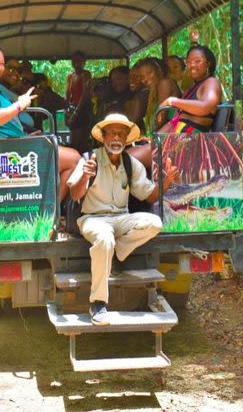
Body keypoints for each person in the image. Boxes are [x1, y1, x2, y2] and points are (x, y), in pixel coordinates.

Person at [67, 113, 180, 325]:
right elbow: (74, 194)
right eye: (112, 133)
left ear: (127, 139)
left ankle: (117, 253)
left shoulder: (131, 164)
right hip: (93, 219)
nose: (117, 138)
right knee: (104, 238)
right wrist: (85, 176)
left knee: (154, 223)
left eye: (121, 134)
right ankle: (98, 302)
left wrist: (165, 182)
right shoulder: (89, 158)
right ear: (103, 137)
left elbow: (150, 195)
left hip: (121, 218)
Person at [0, 43, 80, 201]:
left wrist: (24, 135)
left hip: (17, 143)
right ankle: (50, 214)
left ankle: (46, 206)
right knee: (75, 159)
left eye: (1, 64)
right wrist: (19, 105)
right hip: (9, 150)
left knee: (65, 150)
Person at [158, 44, 223, 133]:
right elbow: (175, 120)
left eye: (197, 61)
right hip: (174, 136)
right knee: (137, 147)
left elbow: (205, 107)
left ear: (208, 63)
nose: (192, 65)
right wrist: (154, 139)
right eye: (188, 62)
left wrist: (172, 101)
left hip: (191, 141)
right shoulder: (191, 88)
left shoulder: (211, 82)